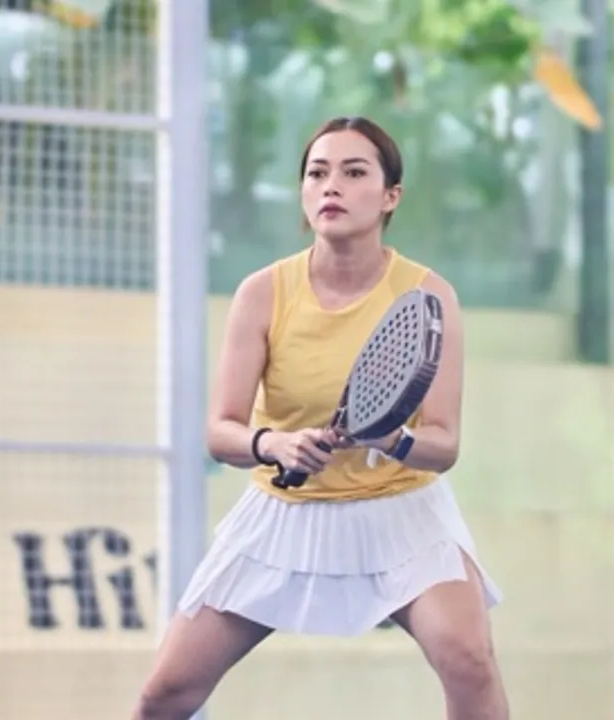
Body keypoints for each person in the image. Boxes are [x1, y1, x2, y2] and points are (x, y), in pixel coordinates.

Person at [133, 116, 509, 720]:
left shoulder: (429, 294)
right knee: (164, 694)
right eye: (317, 173)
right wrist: (273, 444)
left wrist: (392, 439)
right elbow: (220, 431)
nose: (331, 186)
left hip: (403, 511)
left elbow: (443, 445)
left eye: (354, 172)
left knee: (470, 662)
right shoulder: (262, 292)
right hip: (281, 514)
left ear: (390, 196)